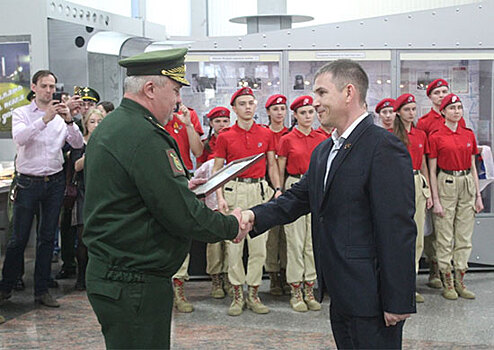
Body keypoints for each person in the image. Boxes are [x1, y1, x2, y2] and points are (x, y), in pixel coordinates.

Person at [242, 59, 417, 349]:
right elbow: (298, 197)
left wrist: (398, 300)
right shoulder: (326, 149)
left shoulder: (382, 146)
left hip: (372, 298)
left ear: (349, 92)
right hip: (340, 292)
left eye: (322, 93)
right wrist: (251, 216)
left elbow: (397, 228)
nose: (315, 102)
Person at [83, 48, 247, 349]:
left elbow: (136, 193)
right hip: (134, 282)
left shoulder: (114, 126)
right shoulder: (143, 135)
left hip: (119, 274)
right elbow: (180, 215)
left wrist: (182, 185)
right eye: (173, 90)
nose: (177, 100)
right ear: (149, 89)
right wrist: (231, 226)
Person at [0, 70, 84, 308]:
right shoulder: (22, 113)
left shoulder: (60, 116)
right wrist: (44, 119)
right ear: (34, 87)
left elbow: (77, 144)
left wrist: (68, 120)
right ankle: (6, 286)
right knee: (18, 238)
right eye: (45, 86)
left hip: (54, 182)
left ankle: (42, 290)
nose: (49, 90)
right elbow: (20, 138)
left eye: (52, 86)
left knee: (47, 238)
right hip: (28, 182)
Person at [213, 86, 282, 316]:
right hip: (235, 192)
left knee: (258, 248)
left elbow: (272, 165)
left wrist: (278, 189)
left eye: (251, 103)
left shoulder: (266, 134)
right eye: (242, 104)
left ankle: (253, 293)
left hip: (259, 192)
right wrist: (220, 197)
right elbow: (218, 170)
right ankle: (236, 295)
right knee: (234, 247)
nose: (247, 107)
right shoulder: (224, 136)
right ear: (234, 108)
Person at [428, 93, 483, 300]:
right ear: (443, 112)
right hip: (446, 183)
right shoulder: (435, 136)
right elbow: (432, 170)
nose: (456, 111)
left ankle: (461, 278)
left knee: (464, 236)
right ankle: (447, 281)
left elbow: (473, 166)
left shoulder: (468, 134)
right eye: (451, 108)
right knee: (444, 235)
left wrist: (478, 195)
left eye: (459, 107)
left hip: (466, 183)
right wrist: (436, 200)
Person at [416, 78, 467, 290]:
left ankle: (449, 271)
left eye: (444, 91)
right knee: (432, 227)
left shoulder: (456, 117)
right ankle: (434, 267)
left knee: (446, 226)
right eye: (436, 93)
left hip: (453, 179)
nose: (440, 95)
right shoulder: (425, 121)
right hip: (432, 175)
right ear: (430, 97)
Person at [277, 95, 326, 312]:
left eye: (310, 112)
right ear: (295, 115)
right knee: (295, 242)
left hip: (316, 188)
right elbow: (279, 168)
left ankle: (310, 287)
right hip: (295, 186)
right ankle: (295, 288)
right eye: (303, 113)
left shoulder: (322, 137)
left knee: (312, 242)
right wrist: (279, 190)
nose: (308, 116)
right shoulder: (287, 139)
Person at [164, 103, 204, 313]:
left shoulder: (188, 115)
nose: (175, 96)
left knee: (182, 232)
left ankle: (179, 289)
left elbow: (198, 151)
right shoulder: (153, 115)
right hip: (158, 177)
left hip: (183, 176)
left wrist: (188, 124)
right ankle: (161, 289)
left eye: (178, 91)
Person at [393, 93, 433, 303]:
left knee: (417, 238)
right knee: (398, 235)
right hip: (398, 183)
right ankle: (396, 283)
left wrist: (428, 192)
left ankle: (411, 283)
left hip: (417, 180)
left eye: (413, 109)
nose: (411, 113)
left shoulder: (420, 135)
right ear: (398, 112)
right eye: (407, 109)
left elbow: (425, 164)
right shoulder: (391, 135)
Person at [196, 106, 232, 298]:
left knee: (230, 238)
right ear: (211, 123)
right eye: (218, 121)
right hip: (211, 197)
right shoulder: (206, 145)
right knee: (214, 242)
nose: (222, 125)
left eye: (225, 121)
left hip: (231, 193)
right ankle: (216, 278)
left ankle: (228, 275)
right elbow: (200, 170)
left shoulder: (233, 139)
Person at [70, 108, 106, 291]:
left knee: (102, 238)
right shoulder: (80, 143)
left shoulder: (108, 141)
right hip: (84, 192)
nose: (96, 125)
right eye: (92, 122)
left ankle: (99, 276)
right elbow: (76, 166)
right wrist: (92, 150)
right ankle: (81, 275)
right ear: (86, 124)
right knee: (83, 236)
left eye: (100, 122)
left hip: (103, 193)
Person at [264, 94, 289, 296]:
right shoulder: (264, 134)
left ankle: (286, 273)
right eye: (275, 109)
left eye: (282, 109)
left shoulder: (290, 134)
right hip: (267, 186)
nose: (279, 113)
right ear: (268, 112)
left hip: (289, 186)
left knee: (288, 235)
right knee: (272, 234)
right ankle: (273, 275)